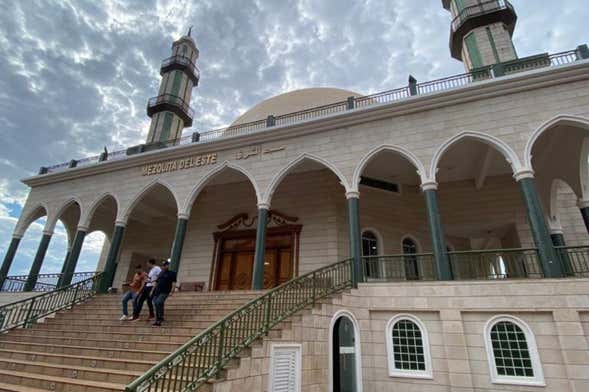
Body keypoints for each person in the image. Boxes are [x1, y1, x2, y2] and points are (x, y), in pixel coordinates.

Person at [151, 260, 177, 327]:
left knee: (159, 302)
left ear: (168, 266)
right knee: (157, 303)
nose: (164, 266)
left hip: (165, 291)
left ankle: (159, 318)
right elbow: (156, 283)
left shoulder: (172, 273)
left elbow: (174, 283)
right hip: (157, 291)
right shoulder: (160, 273)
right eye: (163, 265)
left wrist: (172, 291)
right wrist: (152, 291)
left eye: (165, 265)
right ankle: (159, 318)